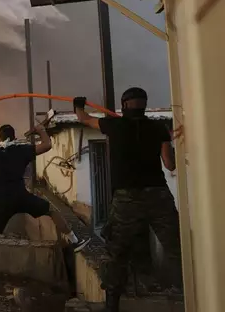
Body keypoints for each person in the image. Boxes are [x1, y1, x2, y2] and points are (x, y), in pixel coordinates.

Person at [73, 87, 182, 312]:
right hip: (158, 195)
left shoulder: (114, 125)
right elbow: (170, 164)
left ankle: (112, 303)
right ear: (144, 104)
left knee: (117, 251)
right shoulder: (158, 128)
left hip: (126, 198)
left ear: (124, 105)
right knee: (176, 246)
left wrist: (78, 105)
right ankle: (191, 293)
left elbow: (84, 119)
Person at [0, 115, 90, 281]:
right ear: (13, 136)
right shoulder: (22, 150)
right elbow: (47, 145)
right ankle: (74, 240)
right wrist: (41, 131)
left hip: (1, 201)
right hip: (21, 197)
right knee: (51, 210)